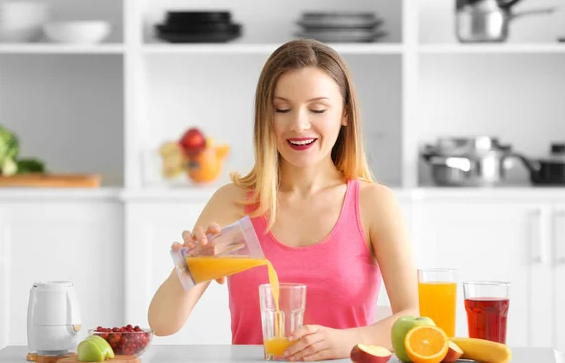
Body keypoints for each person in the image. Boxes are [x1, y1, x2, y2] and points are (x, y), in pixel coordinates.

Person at [148, 38, 418, 361]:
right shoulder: (233, 203)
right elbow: (162, 323)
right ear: (267, 116)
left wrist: (345, 342)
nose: (298, 125)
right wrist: (190, 269)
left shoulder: (374, 204)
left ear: (345, 114)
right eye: (282, 109)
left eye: (317, 109)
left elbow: (413, 317)